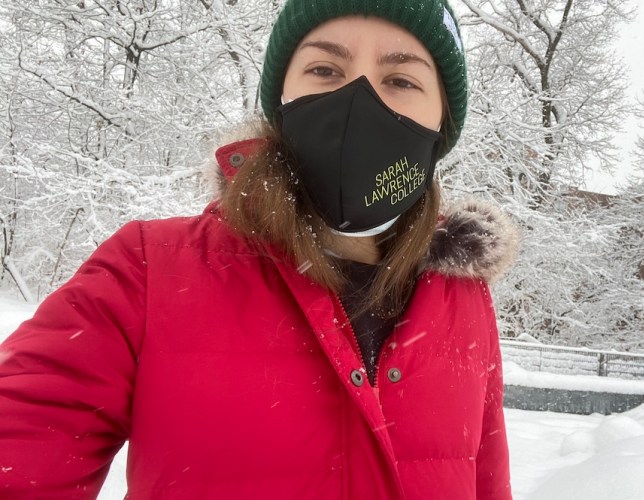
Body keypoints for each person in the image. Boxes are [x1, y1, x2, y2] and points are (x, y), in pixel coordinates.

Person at [0, 0, 519, 498]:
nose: (358, 99)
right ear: (280, 102)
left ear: (441, 124)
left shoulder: (462, 298)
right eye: (325, 70)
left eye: (401, 80)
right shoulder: (147, 269)